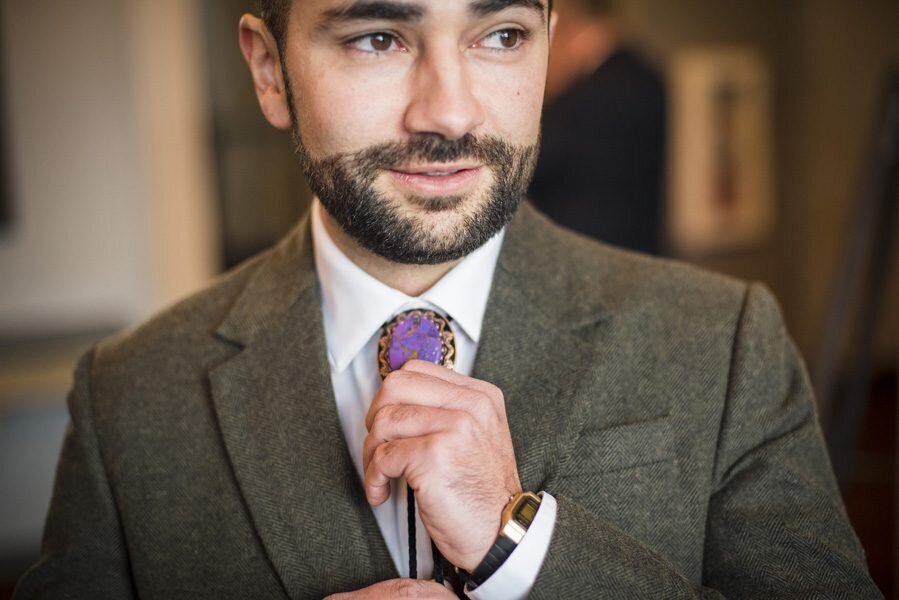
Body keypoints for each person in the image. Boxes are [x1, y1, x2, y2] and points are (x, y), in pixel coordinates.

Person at [14, 1, 880, 598]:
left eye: (499, 34)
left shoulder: (723, 342)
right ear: (270, 71)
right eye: (377, 38)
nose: (450, 113)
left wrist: (522, 552)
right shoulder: (129, 396)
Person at [530, 0, 667, 255]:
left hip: (586, 242)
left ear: (580, 30)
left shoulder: (589, 93)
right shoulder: (649, 76)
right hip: (640, 239)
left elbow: (537, 162)